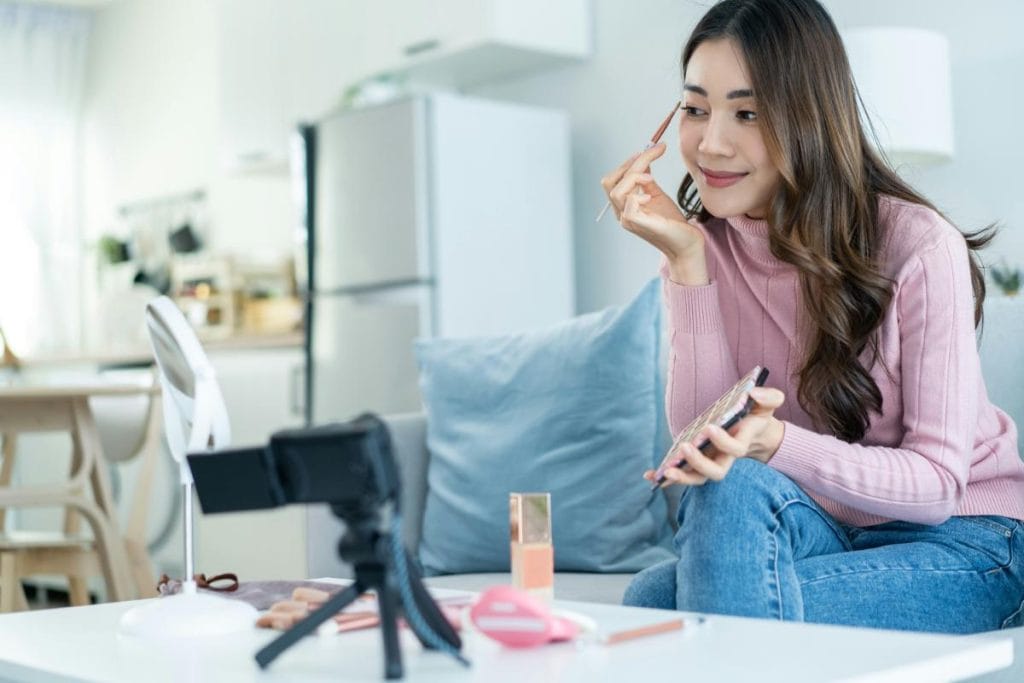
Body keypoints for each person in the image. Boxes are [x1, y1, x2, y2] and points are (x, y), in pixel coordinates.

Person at [603, 0, 1024, 633]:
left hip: (964, 539)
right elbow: (702, 445)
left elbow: (939, 484)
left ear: (807, 118)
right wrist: (688, 260)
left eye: (747, 113)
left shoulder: (916, 245)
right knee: (679, 559)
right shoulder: (706, 245)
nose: (712, 143)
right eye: (695, 109)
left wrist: (773, 442)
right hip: (823, 527)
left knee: (675, 607)